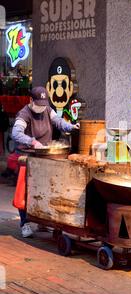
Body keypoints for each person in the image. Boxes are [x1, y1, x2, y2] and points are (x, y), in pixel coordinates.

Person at [12, 86, 80, 238]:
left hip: (44, 156)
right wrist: (32, 142)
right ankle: (25, 223)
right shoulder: (24, 114)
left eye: (44, 104)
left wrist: (71, 127)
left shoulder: (48, 109)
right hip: (28, 157)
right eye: (39, 104)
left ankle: (42, 221)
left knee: (45, 189)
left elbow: (58, 122)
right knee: (26, 191)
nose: (42, 107)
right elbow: (16, 133)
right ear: (31, 100)